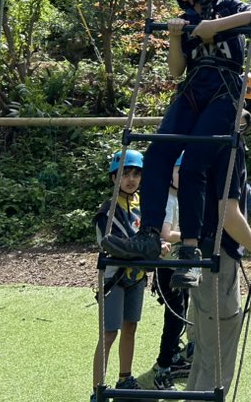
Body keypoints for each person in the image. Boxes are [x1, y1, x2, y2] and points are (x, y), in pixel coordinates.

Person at [102, 0, 251, 292]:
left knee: (194, 162)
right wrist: (178, 38)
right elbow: (176, 70)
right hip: (193, 88)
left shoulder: (229, 7)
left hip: (225, 89)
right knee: (159, 152)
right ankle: (149, 233)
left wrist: (214, 27)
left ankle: (190, 247)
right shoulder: (185, 19)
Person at [185, 75, 251, 393]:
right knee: (218, 360)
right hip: (217, 263)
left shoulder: (202, 140)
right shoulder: (231, 146)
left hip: (199, 253)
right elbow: (227, 216)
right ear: (250, 109)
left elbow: (216, 214)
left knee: (203, 354)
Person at [92, 150, 148, 400]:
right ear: (114, 177)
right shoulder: (107, 210)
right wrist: (147, 248)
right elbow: (111, 243)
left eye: (136, 173)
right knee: (108, 333)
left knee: (130, 327)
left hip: (136, 277)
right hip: (113, 278)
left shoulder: (142, 206)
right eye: (125, 173)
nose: (131, 179)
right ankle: (98, 389)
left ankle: (125, 377)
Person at [151, 154, 191, 391]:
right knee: (175, 317)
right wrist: (190, 234)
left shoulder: (180, 197)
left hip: (179, 265)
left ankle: (173, 354)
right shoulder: (169, 199)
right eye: (179, 171)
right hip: (167, 267)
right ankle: (163, 366)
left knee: (181, 312)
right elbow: (166, 233)